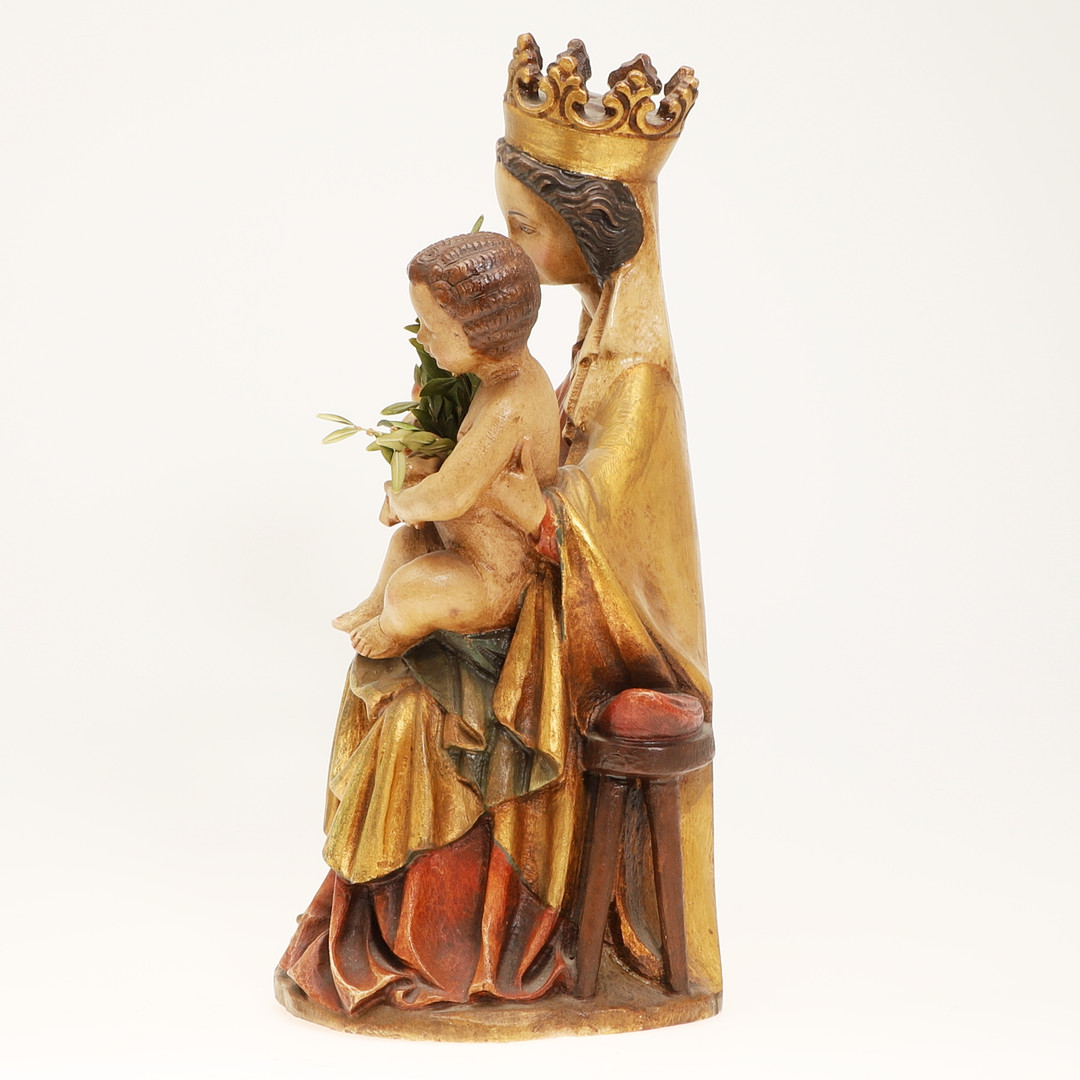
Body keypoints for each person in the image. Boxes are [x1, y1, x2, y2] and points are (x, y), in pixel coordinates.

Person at [276, 36, 720, 1037]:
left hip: (566, 636)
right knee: (391, 673)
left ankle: (455, 947)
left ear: (590, 228)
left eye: (525, 226)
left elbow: (607, 537)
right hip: (524, 603)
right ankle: (391, 928)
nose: (514, 248)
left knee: (420, 715)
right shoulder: (584, 337)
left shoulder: (637, 373)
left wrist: (495, 501)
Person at [331, 232, 560, 661]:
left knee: (408, 590)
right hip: (463, 545)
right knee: (406, 545)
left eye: (432, 328)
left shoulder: (509, 407)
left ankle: (391, 628)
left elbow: (450, 495)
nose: (421, 337)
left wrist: (401, 501)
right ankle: (374, 605)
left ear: (480, 335)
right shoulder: (494, 380)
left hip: (496, 575)